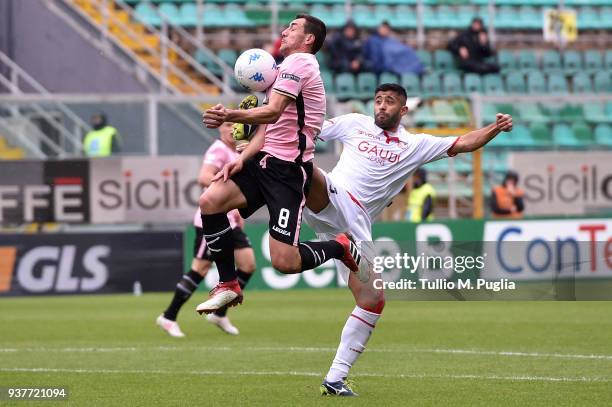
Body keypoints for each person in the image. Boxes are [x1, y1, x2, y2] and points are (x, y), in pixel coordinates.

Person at [300, 83, 512, 396]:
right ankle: (251, 175)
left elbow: (464, 142)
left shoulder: (414, 145)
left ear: (403, 110)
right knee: (301, 164)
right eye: (378, 101)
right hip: (335, 198)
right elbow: (311, 130)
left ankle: (335, 378)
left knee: (373, 300)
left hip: (354, 227)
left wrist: (495, 127)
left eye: (390, 102)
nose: (382, 106)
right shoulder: (354, 123)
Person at [197, 15, 364, 314]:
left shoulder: (301, 63)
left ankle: (340, 246)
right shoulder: (284, 69)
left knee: (285, 262)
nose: (284, 31)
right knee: (210, 200)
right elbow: (269, 130)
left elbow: (272, 113)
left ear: (309, 39)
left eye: (293, 28)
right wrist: (240, 159)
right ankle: (228, 284)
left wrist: (229, 115)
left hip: (288, 171)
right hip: (263, 161)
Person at [156, 122, 256, 337]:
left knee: (248, 264)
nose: (231, 129)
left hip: (230, 220)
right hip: (212, 223)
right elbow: (203, 177)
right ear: (220, 128)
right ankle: (168, 316)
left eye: (234, 125)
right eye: (227, 124)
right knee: (199, 270)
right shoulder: (218, 149)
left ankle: (219, 314)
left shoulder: (235, 150)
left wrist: (236, 206)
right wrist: (225, 190)